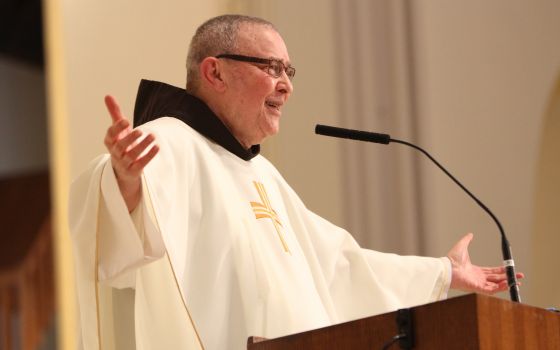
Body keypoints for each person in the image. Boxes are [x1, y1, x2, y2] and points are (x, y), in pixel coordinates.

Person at [69, 14, 521, 350]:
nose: (286, 85)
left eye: (289, 71)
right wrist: (123, 178)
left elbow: (338, 264)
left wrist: (442, 272)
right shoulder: (165, 142)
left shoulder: (263, 175)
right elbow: (114, 236)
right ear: (214, 72)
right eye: (271, 67)